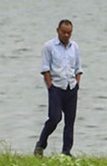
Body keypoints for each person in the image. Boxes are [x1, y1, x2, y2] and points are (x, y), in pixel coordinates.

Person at [35, 18, 82, 156]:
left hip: (71, 87)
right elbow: (45, 69)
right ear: (58, 31)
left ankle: (66, 152)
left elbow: (78, 68)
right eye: (64, 32)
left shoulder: (75, 47)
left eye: (69, 33)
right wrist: (50, 86)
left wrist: (77, 84)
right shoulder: (49, 46)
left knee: (70, 122)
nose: (66, 35)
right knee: (55, 118)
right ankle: (41, 145)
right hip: (56, 88)